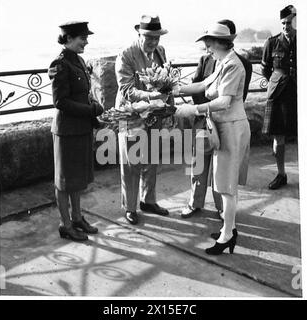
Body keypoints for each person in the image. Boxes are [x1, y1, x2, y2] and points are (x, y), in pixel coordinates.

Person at [173, 22, 251, 255]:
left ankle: (227, 235)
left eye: (209, 40)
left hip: (231, 128)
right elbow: (202, 84)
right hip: (222, 127)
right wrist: (175, 89)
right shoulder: (223, 61)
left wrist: (193, 110)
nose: (206, 45)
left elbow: (224, 101)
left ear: (220, 43)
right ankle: (229, 229)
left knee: (226, 186)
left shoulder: (233, 65)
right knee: (223, 183)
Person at [48, 21, 104, 241]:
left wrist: (93, 106)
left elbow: (83, 93)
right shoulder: (60, 64)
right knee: (63, 181)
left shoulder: (79, 61)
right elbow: (60, 101)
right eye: (82, 37)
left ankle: (78, 218)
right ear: (68, 38)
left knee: (78, 178)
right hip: (66, 132)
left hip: (81, 129)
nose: (86, 41)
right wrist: (90, 109)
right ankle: (65, 224)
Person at [115, 15, 171, 225]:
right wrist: (153, 96)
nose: (154, 42)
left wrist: (167, 107)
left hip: (154, 115)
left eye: (157, 37)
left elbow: (165, 81)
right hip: (131, 115)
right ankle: (130, 207)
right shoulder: (126, 55)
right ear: (139, 33)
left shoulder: (161, 52)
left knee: (152, 159)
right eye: (149, 37)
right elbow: (127, 90)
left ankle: (148, 201)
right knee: (131, 163)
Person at [261, 5, 297, 190]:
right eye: (283, 23)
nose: (286, 26)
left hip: (298, 93)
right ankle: (281, 174)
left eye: (289, 22)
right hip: (279, 94)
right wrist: (277, 81)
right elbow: (266, 68)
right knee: (279, 137)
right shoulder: (272, 42)